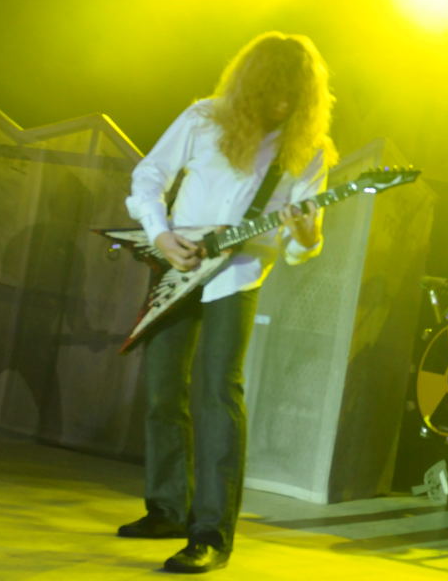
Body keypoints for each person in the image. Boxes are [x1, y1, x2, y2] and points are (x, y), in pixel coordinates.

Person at [119, 31, 338, 573]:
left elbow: (301, 247)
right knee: (162, 393)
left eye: (292, 94)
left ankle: (211, 533)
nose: (280, 104)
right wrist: (161, 233)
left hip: (236, 277)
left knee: (218, 395)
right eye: (271, 90)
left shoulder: (307, 149)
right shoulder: (203, 118)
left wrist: (307, 234)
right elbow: (149, 175)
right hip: (177, 267)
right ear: (250, 84)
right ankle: (167, 509)